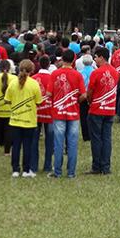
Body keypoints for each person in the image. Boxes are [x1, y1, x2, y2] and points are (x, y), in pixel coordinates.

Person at [48, 50, 86, 179]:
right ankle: (71, 173)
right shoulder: (77, 75)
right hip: (73, 112)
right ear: (74, 60)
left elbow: (48, 94)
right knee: (72, 144)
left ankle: (57, 172)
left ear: (62, 59)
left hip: (58, 112)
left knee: (58, 143)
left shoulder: (54, 74)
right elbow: (84, 94)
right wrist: (76, 101)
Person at [5, 59, 42, 178]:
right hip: (29, 120)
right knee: (27, 146)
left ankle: (15, 169)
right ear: (32, 70)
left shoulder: (12, 83)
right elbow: (38, 102)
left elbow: (7, 99)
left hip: (15, 119)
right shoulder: (34, 84)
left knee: (16, 145)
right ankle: (26, 170)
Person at [86, 47, 119, 175]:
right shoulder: (115, 72)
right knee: (106, 138)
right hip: (110, 109)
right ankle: (106, 167)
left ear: (102, 57)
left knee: (96, 139)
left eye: (96, 57)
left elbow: (90, 92)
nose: (95, 59)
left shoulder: (96, 73)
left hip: (96, 109)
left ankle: (96, 166)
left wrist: (90, 101)